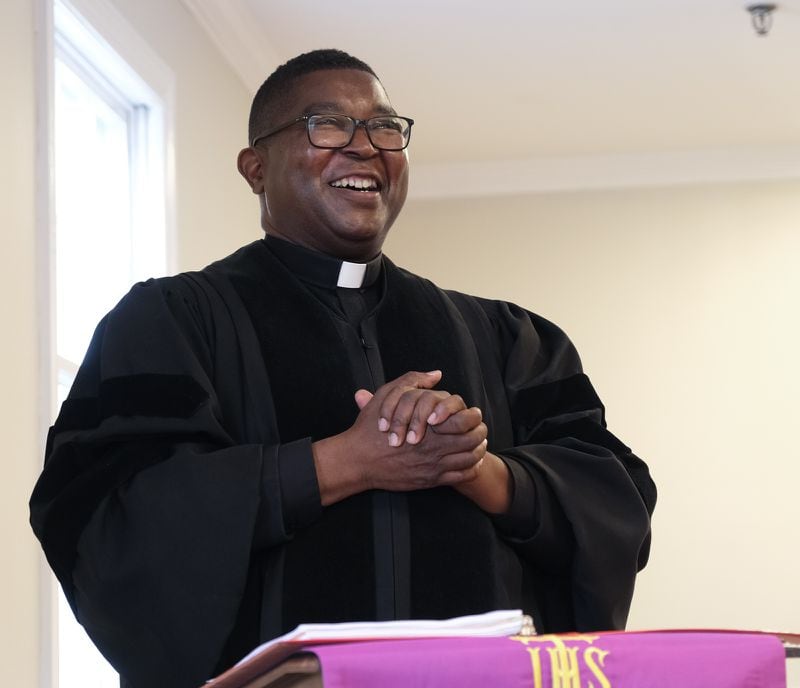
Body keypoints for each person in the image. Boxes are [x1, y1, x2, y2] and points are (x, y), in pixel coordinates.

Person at [30, 49, 656, 688]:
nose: (364, 148)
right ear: (255, 168)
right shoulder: (170, 321)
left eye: (386, 129)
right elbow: (107, 517)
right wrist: (342, 463)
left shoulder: (502, 335)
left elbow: (616, 505)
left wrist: (480, 470)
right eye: (326, 125)